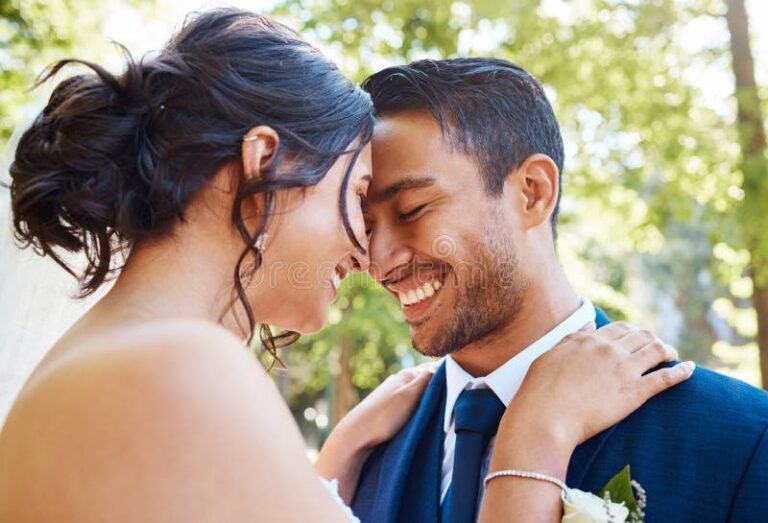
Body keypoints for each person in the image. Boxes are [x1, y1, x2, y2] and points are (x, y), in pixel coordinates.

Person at [0, 9, 692, 522]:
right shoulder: (183, 364)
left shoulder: (120, 353)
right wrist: (534, 441)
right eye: (358, 195)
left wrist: (330, 467)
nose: (367, 252)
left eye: (405, 208)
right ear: (264, 165)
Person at [352, 57, 768, 523]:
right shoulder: (366, 452)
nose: (376, 258)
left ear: (533, 192)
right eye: (364, 225)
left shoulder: (744, 441)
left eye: (411, 209)